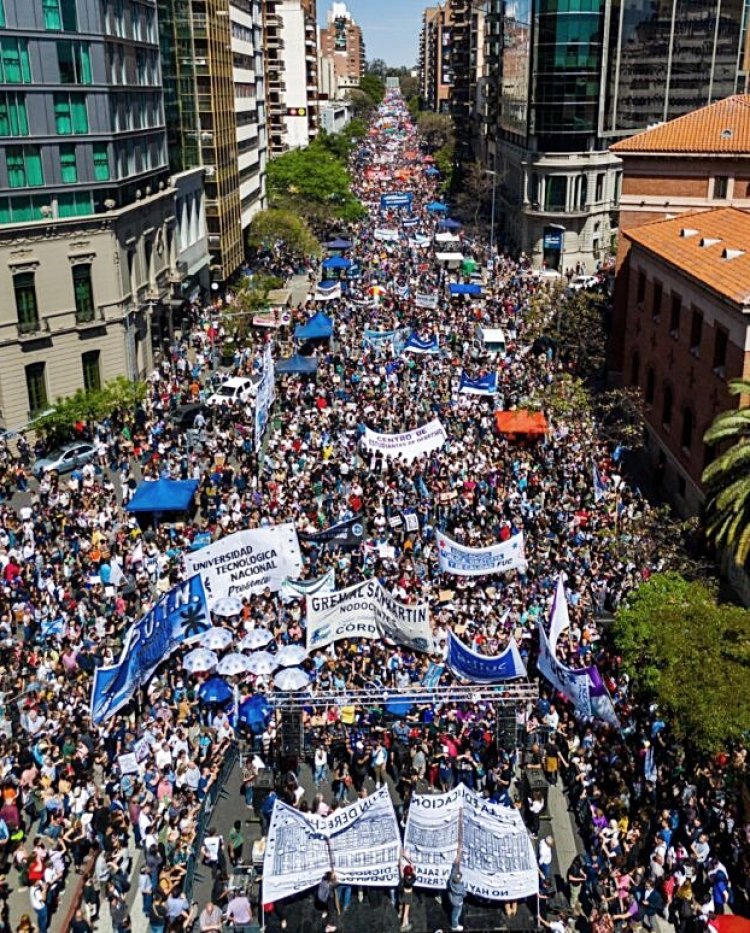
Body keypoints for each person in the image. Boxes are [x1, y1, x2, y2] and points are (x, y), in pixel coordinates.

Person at [448, 864, 466, 932]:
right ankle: (454, 926)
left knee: (458, 913)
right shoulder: (455, 883)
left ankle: (456, 924)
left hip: (459, 900)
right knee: (455, 913)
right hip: (456, 901)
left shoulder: (453, 880)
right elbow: (460, 891)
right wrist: (464, 893)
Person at [399, 863, 415, 931]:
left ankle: (406, 922)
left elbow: (401, 868)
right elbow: (413, 868)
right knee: (406, 912)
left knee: (404, 909)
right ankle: (403, 925)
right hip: (409, 895)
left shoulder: (403, 877)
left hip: (403, 894)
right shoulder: (413, 878)